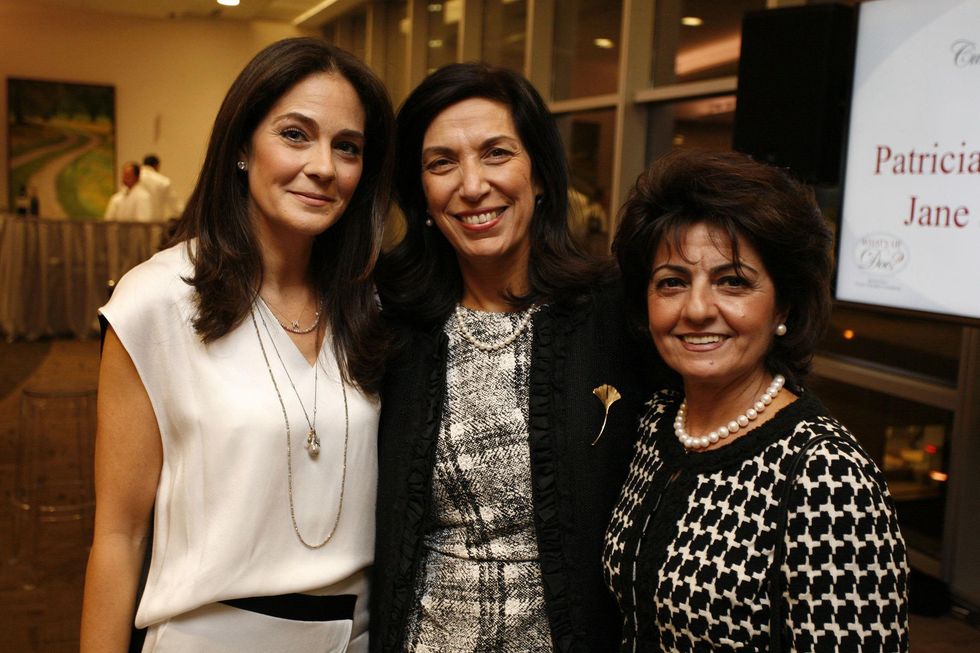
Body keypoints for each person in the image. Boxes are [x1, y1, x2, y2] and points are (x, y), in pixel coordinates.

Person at [81, 37, 394, 652]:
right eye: (296, 135)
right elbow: (119, 536)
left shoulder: (372, 305)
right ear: (243, 148)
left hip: (354, 637)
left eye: (347, 147)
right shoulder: (157, 301)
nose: (325, 166)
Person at [372, 63, 646, 653]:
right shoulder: (390, 323)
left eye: (496, 153)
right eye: (442, 163)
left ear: (541, 175)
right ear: (420, 193)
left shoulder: (613, 315)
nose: (472, 186)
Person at [605, 150, 909, 651]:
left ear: (783, 304)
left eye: (733, 282)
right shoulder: (657, 421)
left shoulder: (827, 475)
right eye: (672, 283)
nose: (698, 309)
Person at [140, 154, 184, 220]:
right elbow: (175, 206)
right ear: (157, 166)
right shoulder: (162, 181)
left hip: (130, 224)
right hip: (154, 224)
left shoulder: (134, 179)